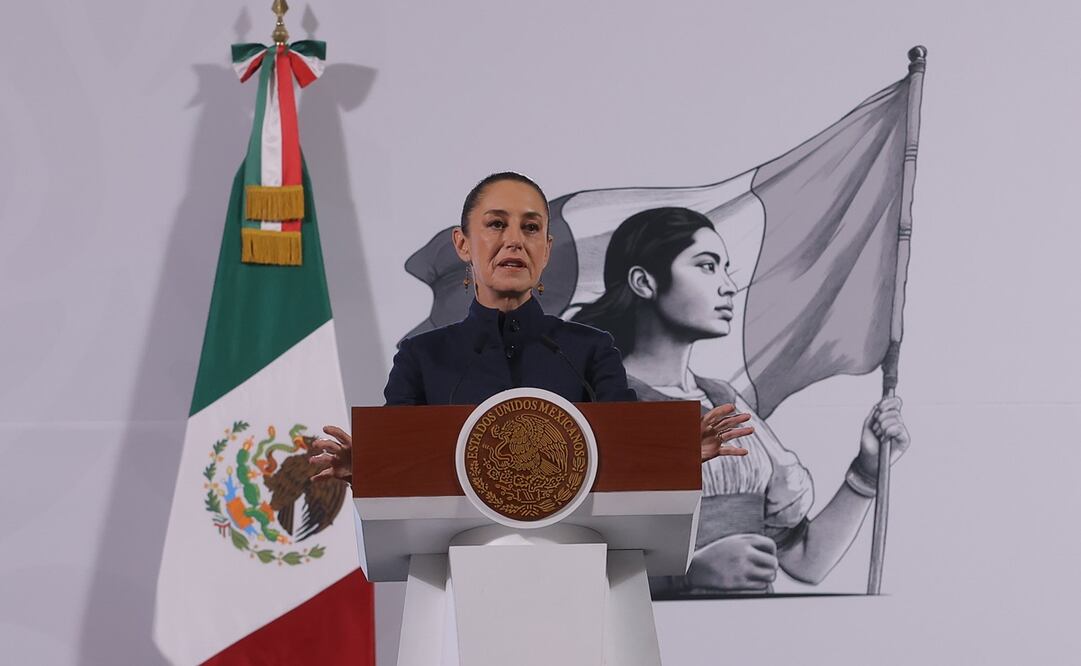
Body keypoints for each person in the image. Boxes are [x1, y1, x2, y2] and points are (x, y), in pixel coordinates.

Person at [309, 174, 755, 484]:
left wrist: (681, 455)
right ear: (463, 244)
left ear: (546, 249)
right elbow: (399, 466)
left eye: (531, 228)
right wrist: (364, 469)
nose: (514, 241)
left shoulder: (591, 351)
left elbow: (627, 455)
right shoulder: (423, 358)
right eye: (496, 225)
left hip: (574, 570)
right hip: (462, 572)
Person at [571, 206, 910, 595]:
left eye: (726, 267)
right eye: (706, 266)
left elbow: (805, 560)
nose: (729, 285)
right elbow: (562, 565)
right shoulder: (598, 402)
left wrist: (867, 470)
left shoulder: (723, 401)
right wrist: (688, 573)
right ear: (644, 282)